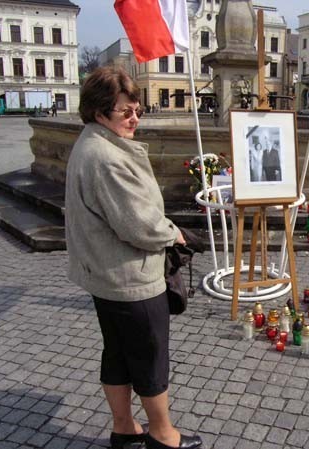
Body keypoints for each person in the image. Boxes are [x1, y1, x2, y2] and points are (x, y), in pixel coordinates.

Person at [65, 67, 202, 449]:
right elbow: (139, 224)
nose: (134, 119)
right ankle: (162, 435)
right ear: (98, 113)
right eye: (125, 112)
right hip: (129, 278)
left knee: (119, 353)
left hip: (106, 274)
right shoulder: (105, 157)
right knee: (149, 355)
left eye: (137, 110)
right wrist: (173, 233)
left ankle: (124, 429)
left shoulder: (91, 142)